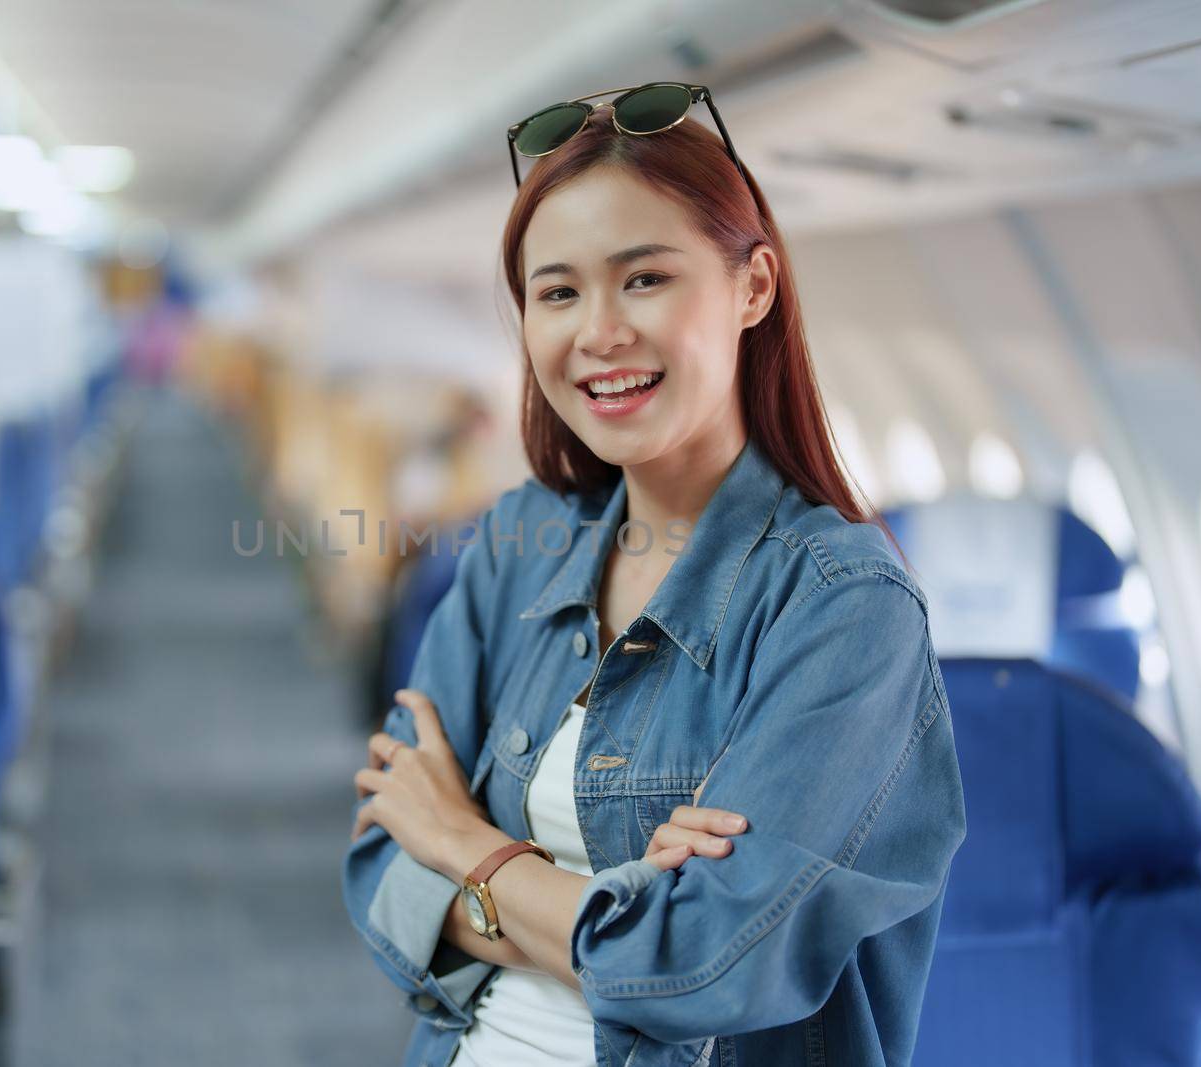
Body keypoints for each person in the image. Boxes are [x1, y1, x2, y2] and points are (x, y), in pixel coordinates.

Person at [342, 83, 965, 1067]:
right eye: (557, 291)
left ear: (752, 288)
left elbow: (703, 965)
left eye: (643, 280)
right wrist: (614, 908)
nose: (598, 332)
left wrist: (464, 841)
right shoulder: (518, 541)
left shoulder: (844, 605)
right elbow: (380, 862)